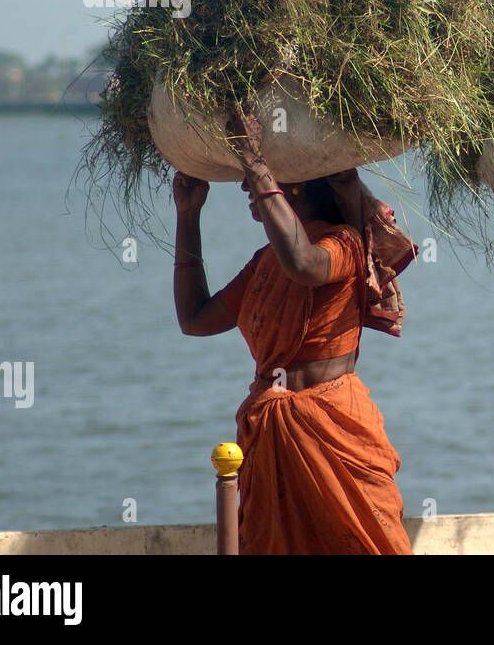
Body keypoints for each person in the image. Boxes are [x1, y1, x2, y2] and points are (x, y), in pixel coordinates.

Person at [172, 107, 418, 554]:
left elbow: (304, 265)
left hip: (335, 426)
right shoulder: (265, 262)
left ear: (297, 187)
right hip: (275, 433)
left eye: (259, 182)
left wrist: (255, 158)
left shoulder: (344, 243)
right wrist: (188, 218)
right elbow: (194, 320)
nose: (248, 189)